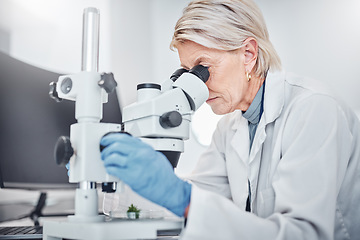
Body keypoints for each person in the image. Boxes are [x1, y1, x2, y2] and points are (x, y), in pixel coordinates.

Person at [100, 0, 360, 239]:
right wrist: (116, 179)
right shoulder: (229, 127)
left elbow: (303, 234)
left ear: (248, 53)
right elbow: (198, 200)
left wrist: (181, 196)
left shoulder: (315, 108)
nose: (197, 86)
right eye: (189, 73)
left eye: (203, 68)